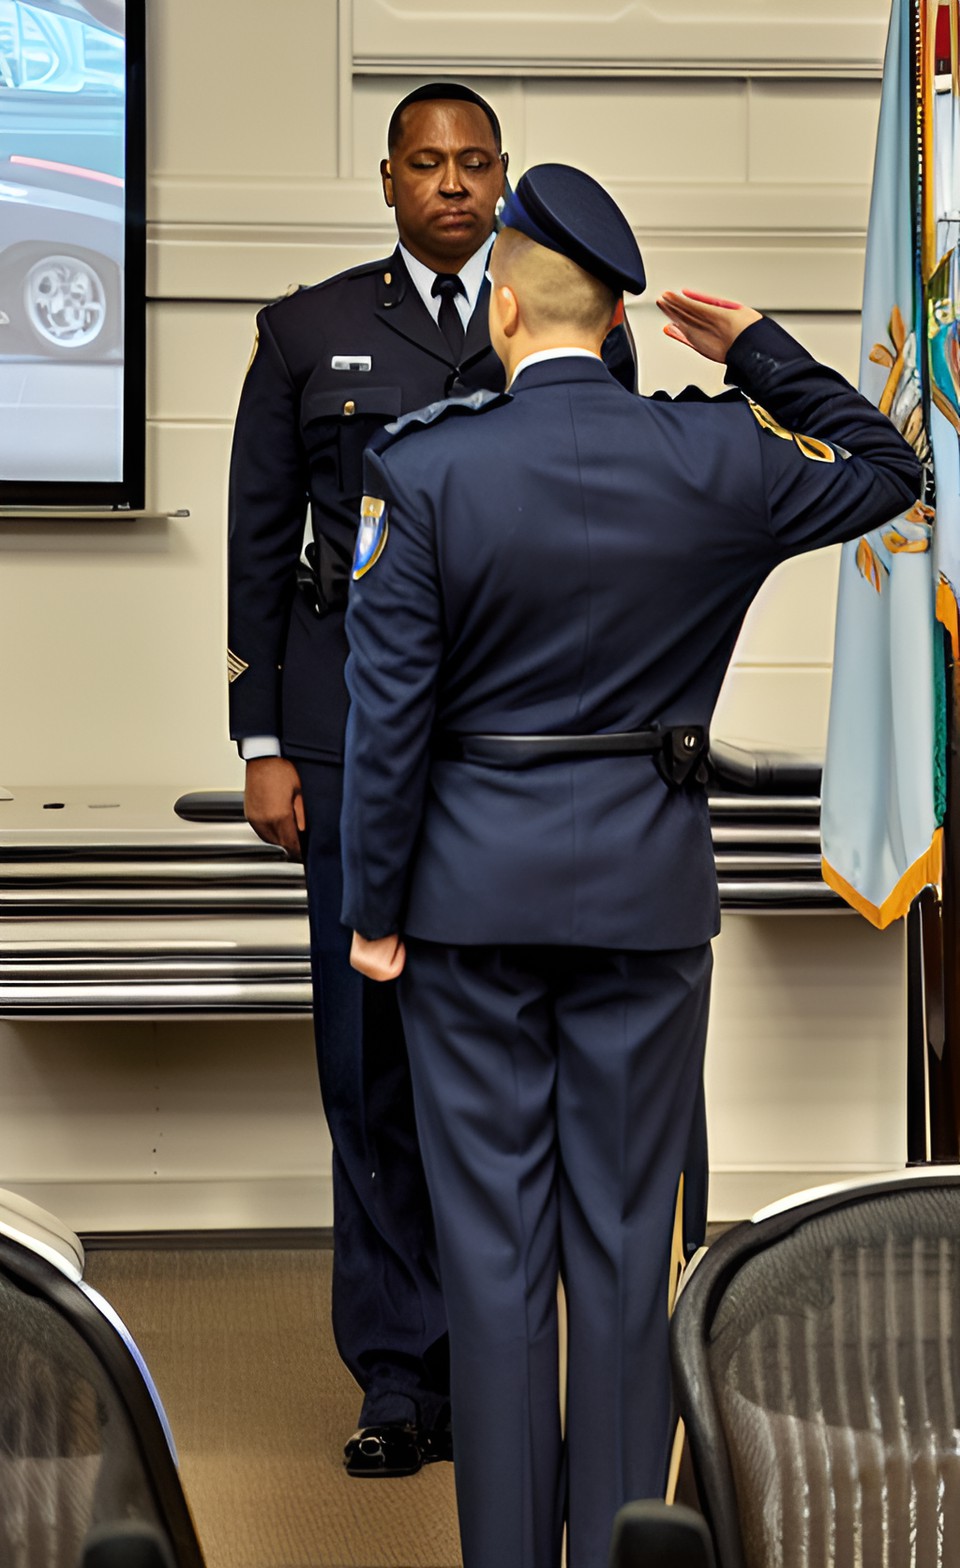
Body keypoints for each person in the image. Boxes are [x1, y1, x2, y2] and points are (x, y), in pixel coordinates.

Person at [339, 164, 923, 1564]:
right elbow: (899, 468)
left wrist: (373, 911)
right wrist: (761, 350)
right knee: (618, 1246)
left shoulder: (424, 468)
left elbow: (387, 719)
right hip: (647, 897)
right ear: (614, 319)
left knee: (491, 1261)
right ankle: (612, 1547)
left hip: (467, 906)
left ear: (502, 309)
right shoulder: (718, 457)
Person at [226, 82, 511, 1477]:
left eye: (473, 164)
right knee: (369, 1059)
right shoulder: (310, 330)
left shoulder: (560, 326)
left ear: (502, 179)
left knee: (498, 1064)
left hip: (508, 747)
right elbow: (262, 542)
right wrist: (261, 740)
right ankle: (398, 1376)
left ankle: (497, 1362)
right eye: (427, 164)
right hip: (345, 745)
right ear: (387, 178)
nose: (451, 185)